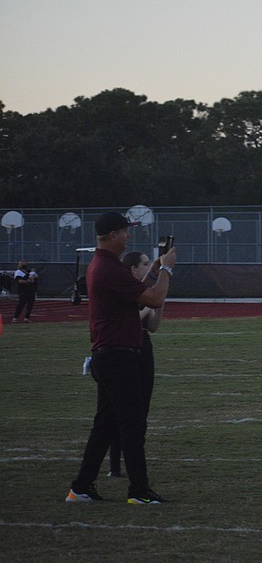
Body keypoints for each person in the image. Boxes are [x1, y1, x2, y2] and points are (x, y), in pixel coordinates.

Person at [66, 211, 176, 504]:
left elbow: (140, 292)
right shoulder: (110, 269)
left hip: (110, 355)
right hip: (117, 357)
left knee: (106, 425)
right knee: (132, 423)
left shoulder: (105, 265)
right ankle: (139, 492)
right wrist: (167, 270)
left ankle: (81, 487)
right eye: (126, 231)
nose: (129, 236)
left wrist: (153, 270)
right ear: (113, 235)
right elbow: (155, 299)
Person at [106, 251, 164, 478]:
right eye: (145, 264)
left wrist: (159, 303)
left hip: (143, 346)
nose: (149, 267)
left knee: (142, 409)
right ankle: (115, 465)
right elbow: (126, 319)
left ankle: (133, 463)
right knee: (118, 411)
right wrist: (152, 303)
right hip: (123, 347)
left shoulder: (145, 292)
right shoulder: (125, 289)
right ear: (134, 269)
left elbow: (153, 326)